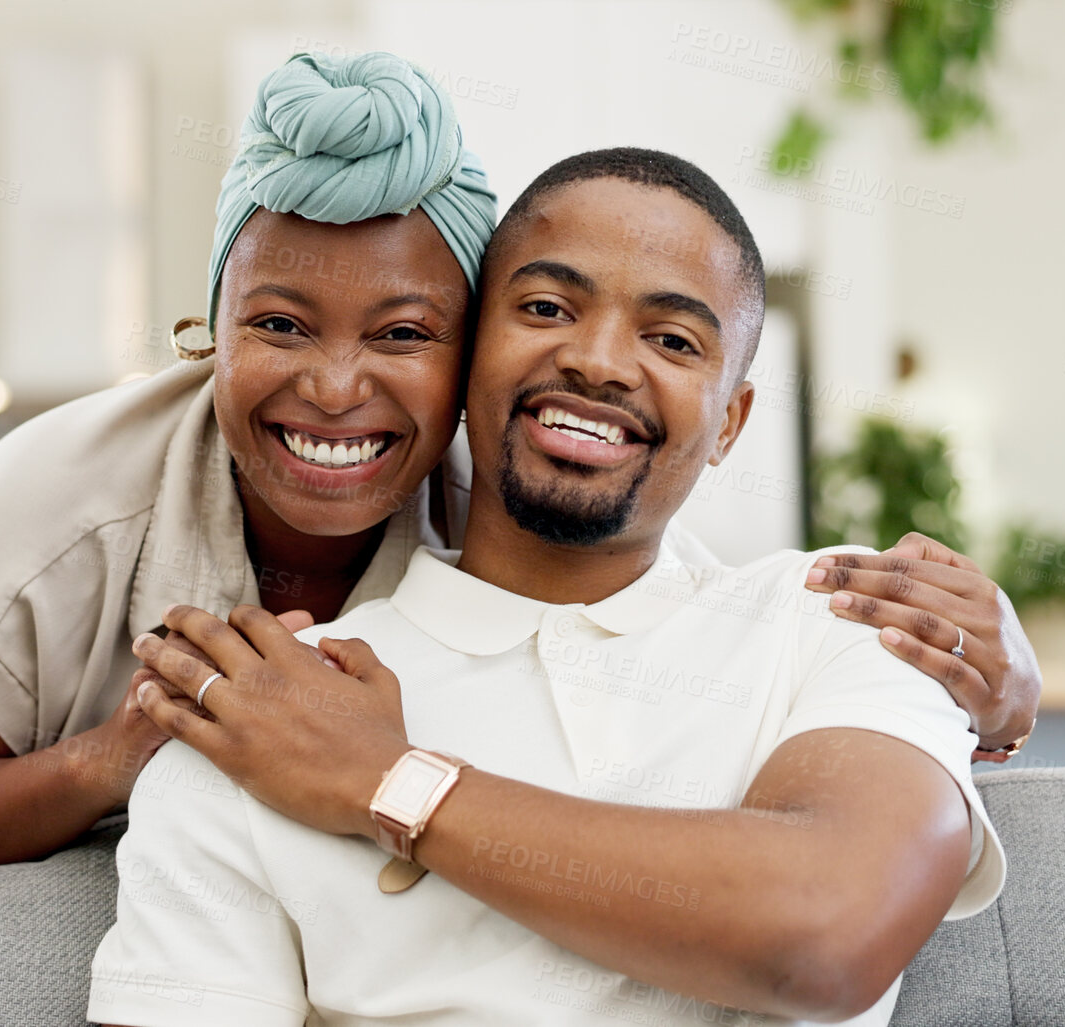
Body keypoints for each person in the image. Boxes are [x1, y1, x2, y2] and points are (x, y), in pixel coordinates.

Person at [0, 52, 1039, 869]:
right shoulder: (66, 496)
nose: (334, 387)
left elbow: (692, 640)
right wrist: (117, 757)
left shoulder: (504, 498)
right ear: (210, 334)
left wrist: (992, 682)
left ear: (467, 363)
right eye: (279, 324)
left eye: (403, 335)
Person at [92, 148, 1005, 1026]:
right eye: (543, 307)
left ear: (729, 420)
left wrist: (387, 781)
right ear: (458, 359)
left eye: (672, 337)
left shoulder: (849, 616)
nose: (600, 361)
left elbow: (823, 935)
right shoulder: (263, 724)